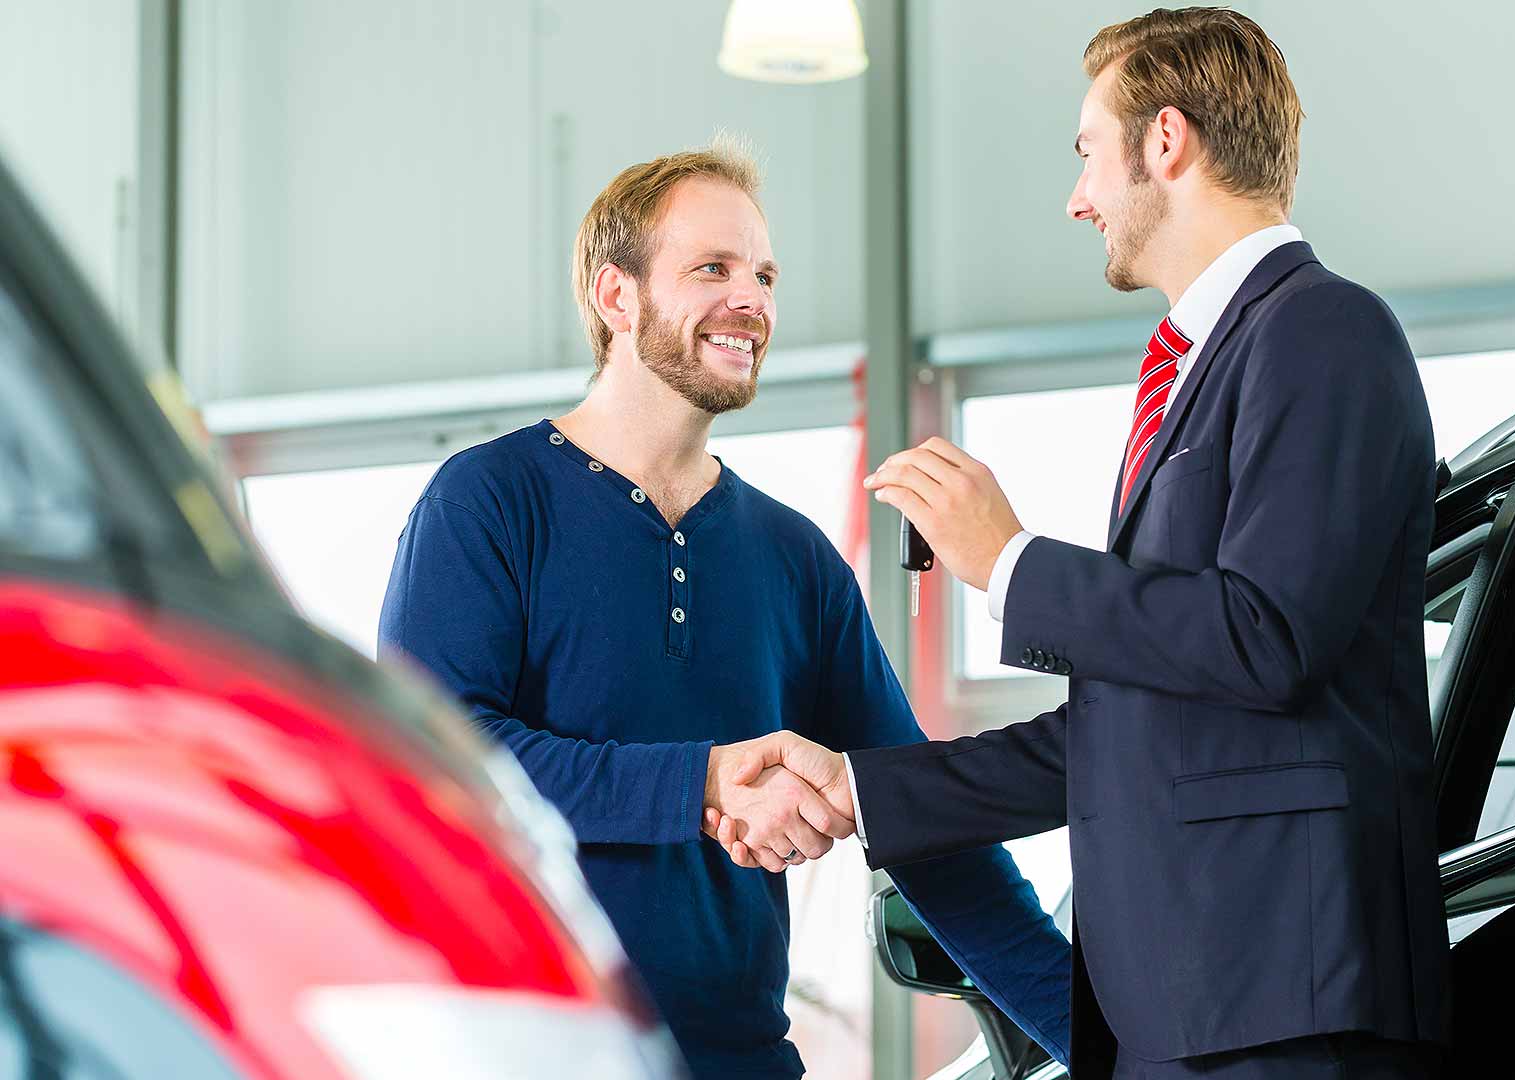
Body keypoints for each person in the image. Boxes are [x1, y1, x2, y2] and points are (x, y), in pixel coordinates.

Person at [717, 9, 1450, 1077]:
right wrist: (854, 790)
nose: (1077, 198)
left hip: (1284, 1005)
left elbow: (1268, 635)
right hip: (1194, 1011)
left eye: (1086, 154)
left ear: (1166, 141)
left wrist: (1010, 561)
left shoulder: (1323, 330)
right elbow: (1133, 729)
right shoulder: (1204, 366)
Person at [377, 141, 1070, 1078]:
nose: (752, 300)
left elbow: (928, 830)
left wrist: (1120, 1049)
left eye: (765, 275)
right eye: (713, 268)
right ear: (615, 296)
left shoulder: (795, 560)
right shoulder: (487, 503)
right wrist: (700, 783)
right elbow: (433, 766)